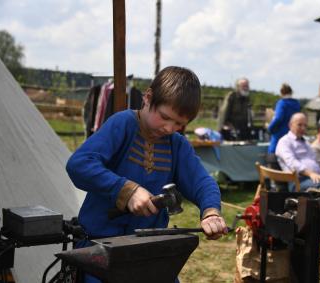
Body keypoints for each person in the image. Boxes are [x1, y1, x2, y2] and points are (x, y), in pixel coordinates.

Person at [66, 66, 228, 283]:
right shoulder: (122, 124)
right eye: (164, 117)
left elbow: (202, 182)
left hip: (150, 252)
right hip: (100, 249)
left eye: (180, 124)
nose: (170, 128)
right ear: (148, 98)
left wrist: (211, 212)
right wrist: (126, 190)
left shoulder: (176, 145)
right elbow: (79, 164)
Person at [275, 113, 320, 191]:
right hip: (298, 182)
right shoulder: (284, 142)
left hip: (315, 177)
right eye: (299, 125)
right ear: (290, 125)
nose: (303, 128)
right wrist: (311, 174)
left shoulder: (305, 142)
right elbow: (292, 163)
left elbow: (314, 162)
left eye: (305, 126)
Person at [267, 83, 301, 154]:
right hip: (293, 135)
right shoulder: (297, 103)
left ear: (281, 92)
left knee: (273, 157)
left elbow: (278, 118)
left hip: (280, 136)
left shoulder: (282, 103)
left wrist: (269, 128)